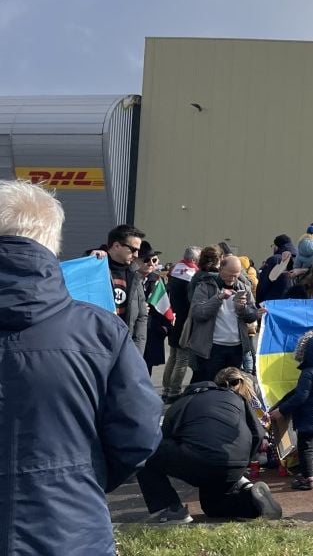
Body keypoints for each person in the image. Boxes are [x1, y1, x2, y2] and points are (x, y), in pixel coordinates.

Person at [0, 180, 163, 551]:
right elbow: (138, 431)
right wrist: (79, 475)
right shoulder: (101, 332)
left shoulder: (103, 330)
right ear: (53, 243)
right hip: (70, 528)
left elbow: (138, 431)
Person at [137, 367, 282, 523]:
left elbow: (161, 440)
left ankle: (172, 509)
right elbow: (258, 434)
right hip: (234, 465)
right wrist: (241, 464)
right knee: (211, 507)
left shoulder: (180, 404)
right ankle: (252, 501)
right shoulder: (237, 399)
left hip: (199, 462)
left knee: (144, 451)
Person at [269, 330, 313, 490]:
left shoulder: (308, 373)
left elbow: (300, 397)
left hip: (308, 417)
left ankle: (307, 478)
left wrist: (281, 411)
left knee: (306, 447)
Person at [187, 255, 262, 384]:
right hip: (211, 348)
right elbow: (198, 313)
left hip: (236, 348)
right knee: (209, 385)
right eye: (229, 275)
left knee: (232, 387)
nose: (232, 279)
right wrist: (218, 298)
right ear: (220, 269)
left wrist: (243, 309)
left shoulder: (243, 288)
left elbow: (251, 317)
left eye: (236, 275)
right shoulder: (206, 286)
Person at [97, 223, 150, 356]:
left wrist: (137, 353)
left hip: (124, 349)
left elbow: (141, 317)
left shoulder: (135, 277)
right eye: (133, 249)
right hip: (96, 347)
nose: (136, 255)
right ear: (116, 246)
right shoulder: (95, 268)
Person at [163, 246, 201, 402]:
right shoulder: (192, 274)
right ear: (193, 260)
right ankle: (175, 391)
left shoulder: (174, 269)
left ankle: (166, 389)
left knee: (173, 356)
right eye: (198, 259)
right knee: (182, 358)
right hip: (186, 319)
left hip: (174, 316)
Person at [138, 241, 172, 375]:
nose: (151, 263)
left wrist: (164, 328)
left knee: (147, 370)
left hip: (152, 331)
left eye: (154, 260)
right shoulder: (130, 277)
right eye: (146, 260)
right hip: (134, 330)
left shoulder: (157, 279)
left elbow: (165, 304)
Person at [256, 234, 296, 302]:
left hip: (273, 303)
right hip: (292, 304)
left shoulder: (274, 260)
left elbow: (264, 284)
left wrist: (259, 302)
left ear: (276, 247)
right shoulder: (297, 259)